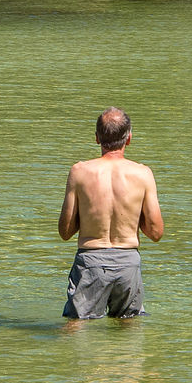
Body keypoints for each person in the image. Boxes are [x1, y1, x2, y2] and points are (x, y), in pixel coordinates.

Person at [58, 108, 164, 319]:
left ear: (97, 138)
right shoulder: (143, 174)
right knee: (129, 328)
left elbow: (65, 231)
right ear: (129, 138)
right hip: (128, 263)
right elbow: (155, 233)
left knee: (76, 326)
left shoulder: (79, 172)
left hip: (90, 261)